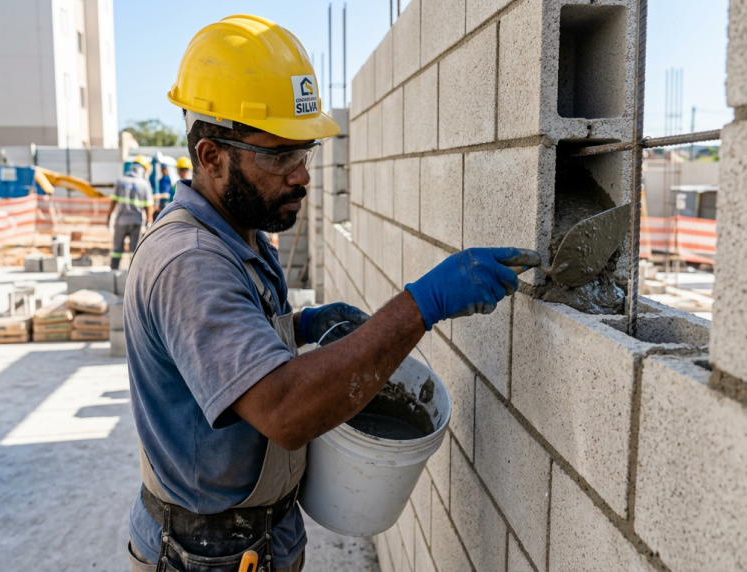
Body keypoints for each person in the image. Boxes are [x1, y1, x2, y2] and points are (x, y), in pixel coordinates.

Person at [123, 15, 540, 572]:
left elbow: (217, 343)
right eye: (278, 156)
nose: (301, 175)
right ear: (211, 156)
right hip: (206, 555)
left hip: (255, 538)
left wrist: (300, 326)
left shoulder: (240, 231)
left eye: (305, 153)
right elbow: (285, 411)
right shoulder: (191, 263)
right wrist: (422, 305)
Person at [107, 155, 154, 270]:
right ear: (144, 169)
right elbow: (149, 206)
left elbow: (113, 201)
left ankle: (113, 270)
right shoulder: (144, 184)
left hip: (120, 221)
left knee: (117, 248)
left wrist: (108, 216)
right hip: (136, 221)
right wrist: (149, 222)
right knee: (134, 250)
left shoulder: (120, 181)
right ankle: (133, 273)